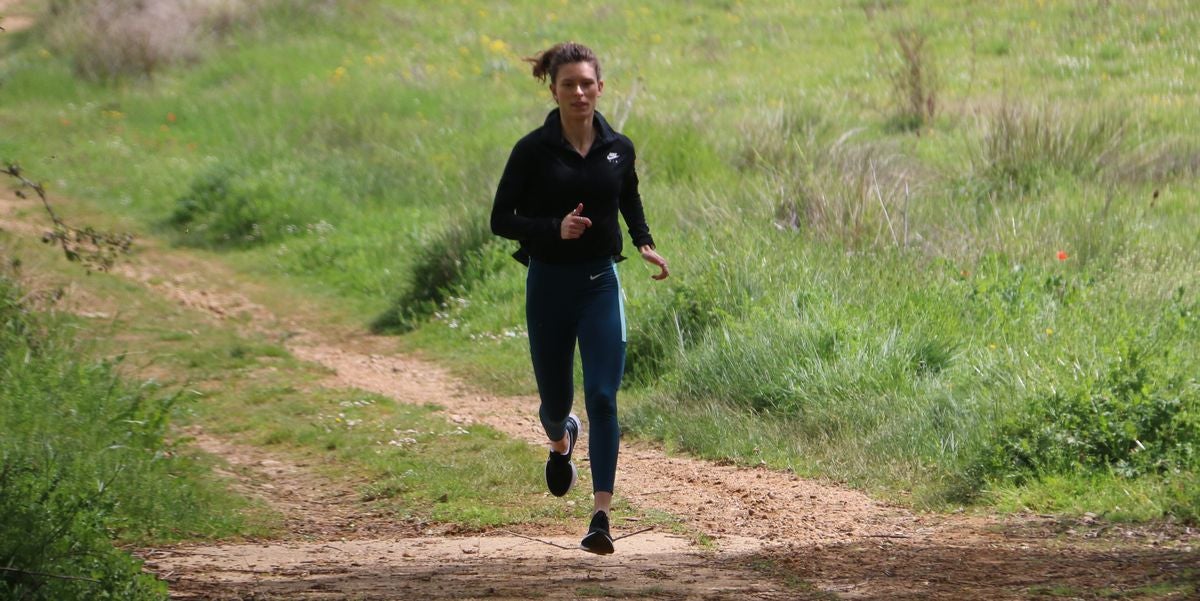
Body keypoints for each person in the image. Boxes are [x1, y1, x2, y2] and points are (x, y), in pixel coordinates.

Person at [490, 42, 669, 555]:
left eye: (587, 83)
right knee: (555, 402)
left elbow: (628, 194)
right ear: (554, 89)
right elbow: (501, 220)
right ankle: (559, 438)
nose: (579, 92)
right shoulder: (532, 151)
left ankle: (601, 518)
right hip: (548, 283)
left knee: (605, 397)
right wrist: (553, 229)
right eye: (568, 84)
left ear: (600, 88)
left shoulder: (619, 146)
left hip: (599, 283)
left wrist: (645, 243)